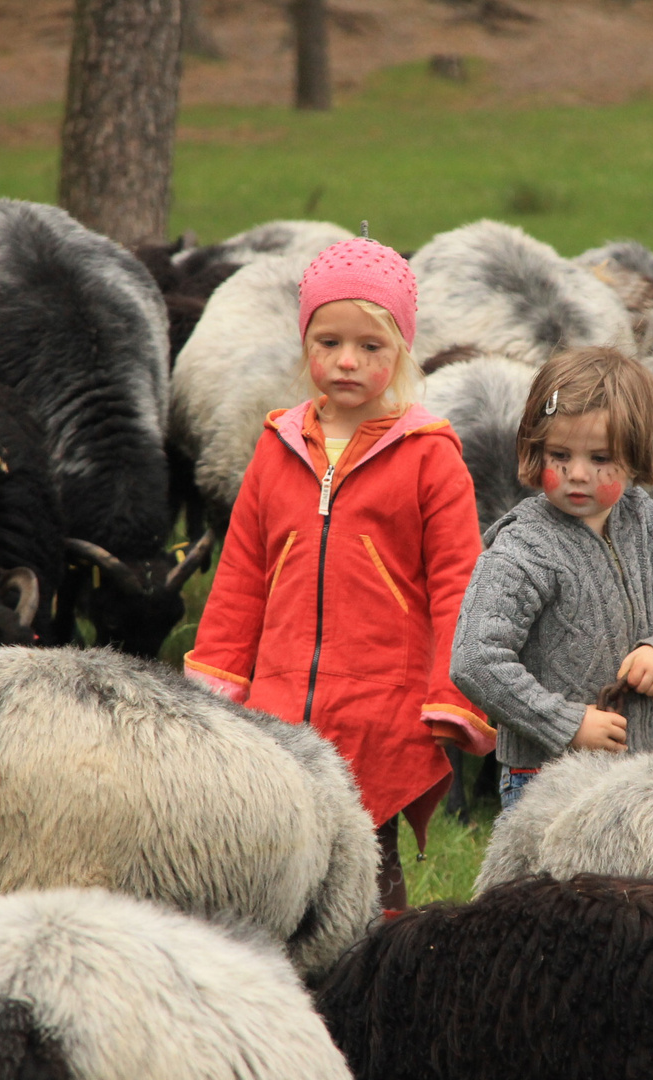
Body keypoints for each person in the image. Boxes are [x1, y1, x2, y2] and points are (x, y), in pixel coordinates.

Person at [183, 238, 493, 911]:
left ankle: (376, 985)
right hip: (280, 699)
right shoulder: (277, 445)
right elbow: (241, 572)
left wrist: (453, 691)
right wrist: (217, 676)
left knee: (368, 862)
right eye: (328, 342)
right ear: (305, 346)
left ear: (402, 351)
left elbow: (457, 582)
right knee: (274, 861)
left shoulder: (429, 455)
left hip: (381, 700)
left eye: (370, 347)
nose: (346, 361)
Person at [450, 346, 653, 811]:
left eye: (601, 458)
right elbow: (475, 659)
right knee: (559, 883)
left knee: (646, 883)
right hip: (550, 777)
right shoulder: (523, 549)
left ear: (637, 458)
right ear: (534, 449)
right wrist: (566, 723)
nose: (577, 474)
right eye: (560, 454)